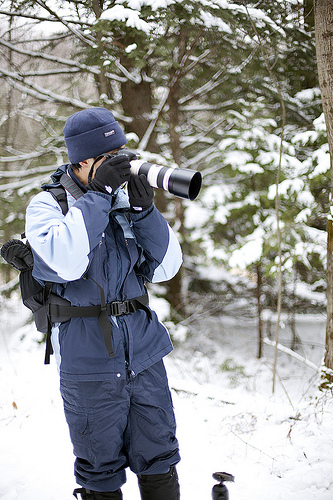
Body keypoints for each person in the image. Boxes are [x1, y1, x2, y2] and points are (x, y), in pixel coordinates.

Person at [25, 107, 182, 500]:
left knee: (160, 456)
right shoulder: (47, 207)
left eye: (121, 155)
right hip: (88, 361)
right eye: (107, 159)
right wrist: (96, 197)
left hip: (144, 354)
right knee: (100, 469)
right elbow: (64, 262)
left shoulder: (126, 202)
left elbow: (166, 268)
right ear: (81, 162)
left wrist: (146, 212)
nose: (118, 165)